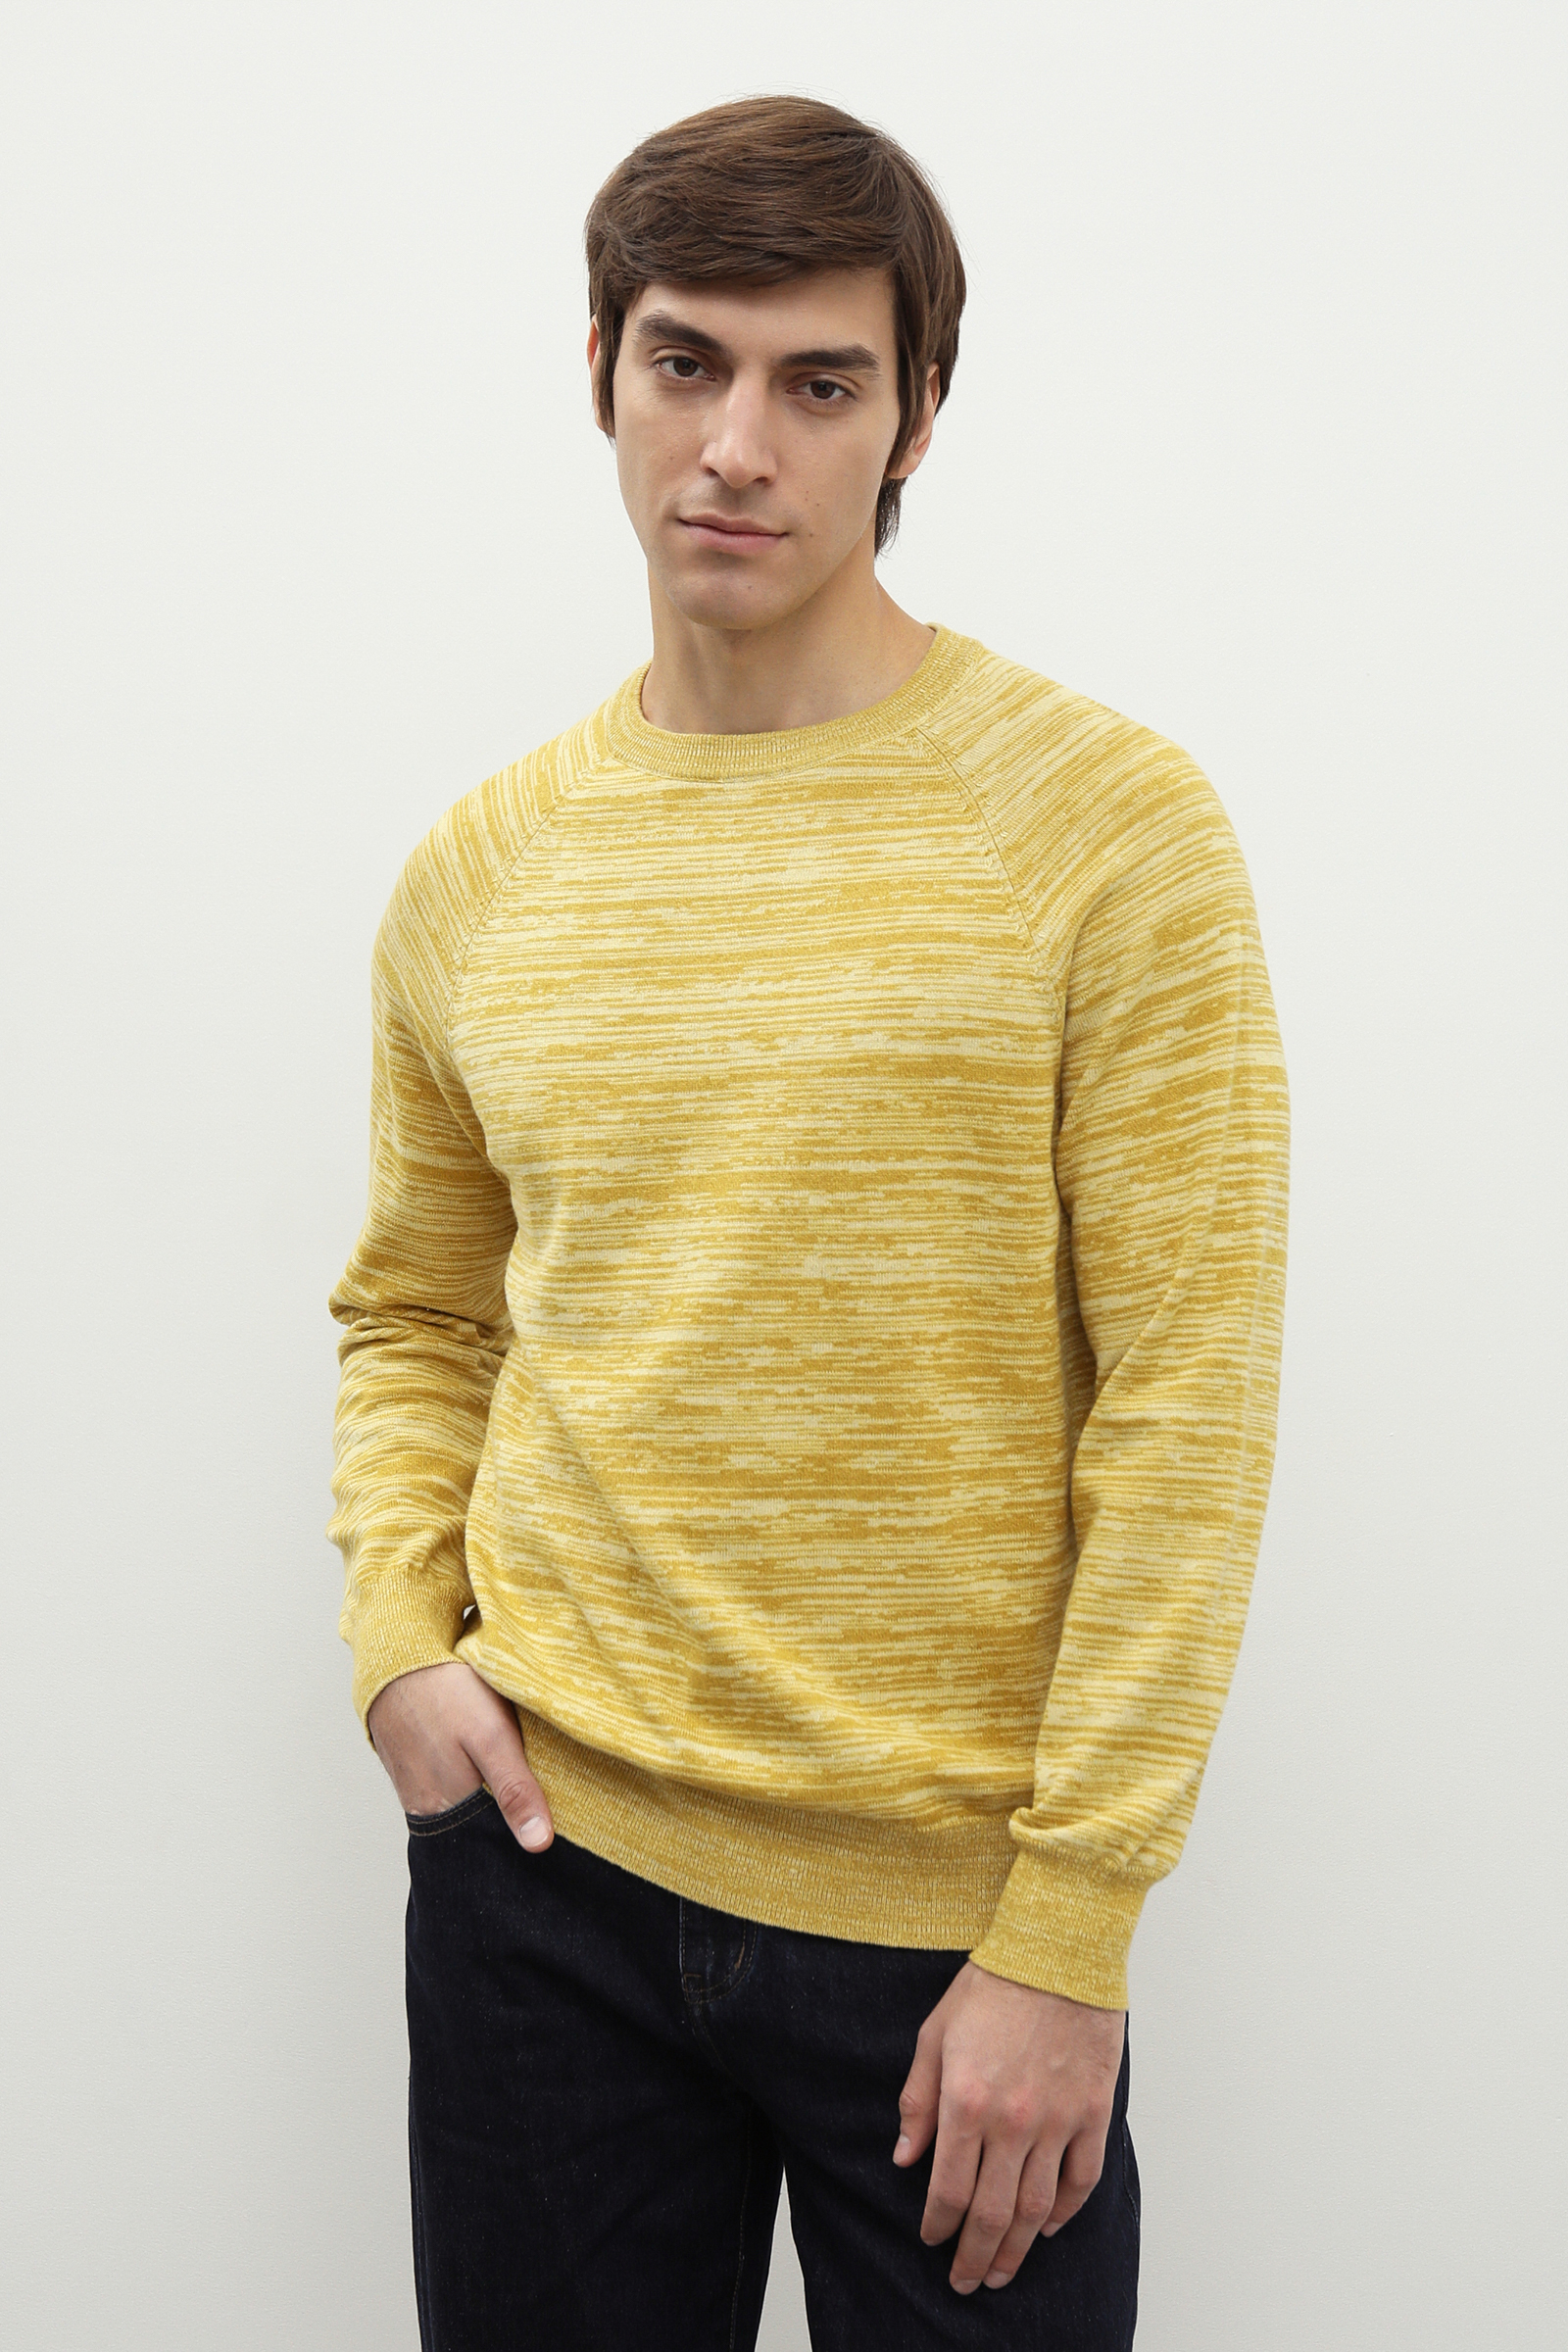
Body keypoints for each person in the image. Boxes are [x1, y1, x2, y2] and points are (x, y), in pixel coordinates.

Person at [327, 93, 1290, 2351]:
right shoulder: (482, 866)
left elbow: (1184, 1395)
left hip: (953, 1943)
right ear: (600, 370)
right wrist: (396, 1640)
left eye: (817, 382)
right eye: (685, 362)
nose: (736, 446)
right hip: (541, 1884)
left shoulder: (1102, 830)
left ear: (913, 417)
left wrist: (1067, 1929)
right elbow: (419, 1313)